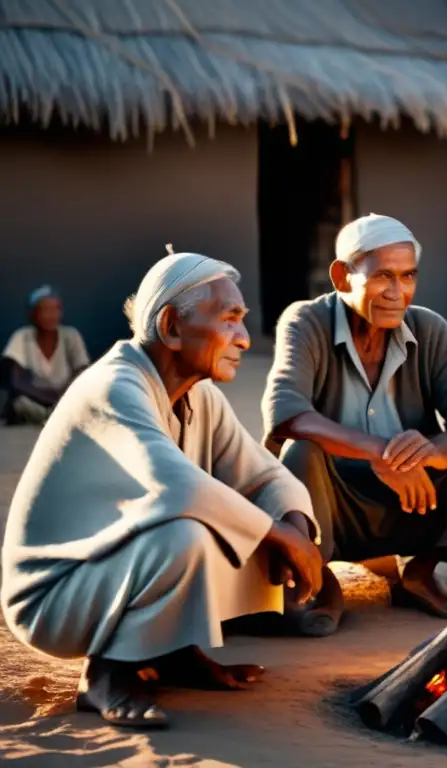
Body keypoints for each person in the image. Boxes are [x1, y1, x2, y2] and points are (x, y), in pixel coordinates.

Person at [1, 252, 324, 728]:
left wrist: (295, 528)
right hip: (52, 597)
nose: (243, 338)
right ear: (172, 326)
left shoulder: (199, 395)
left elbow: (265, 476)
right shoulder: (114, 385)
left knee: (243, 524)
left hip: (110, 574)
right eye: (230, 320)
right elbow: (175, 487)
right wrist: (282, 537)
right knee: (190, 531)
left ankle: (173, 653)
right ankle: (107, 673)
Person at [263, 213, 447, 632]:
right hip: (338, 504)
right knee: (299, 450)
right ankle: (319, 583)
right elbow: (286, 411)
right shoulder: (306, 322)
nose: (398, 292)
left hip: (416, 496)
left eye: (408, 276)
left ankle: (420, 572)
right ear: (342, 277)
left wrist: (438, 452)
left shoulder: (429, 329)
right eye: (383, 277)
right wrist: (380, 453)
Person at [2, 285, 90, 424]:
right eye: (45, 310)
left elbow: (82, 372)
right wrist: (47, 398)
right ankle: (52, 419)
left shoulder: (71, 335)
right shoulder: (22, 336)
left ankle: (51, 418)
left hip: (65, 399)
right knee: (20, 403)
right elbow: (17, 382)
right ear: (33, 314)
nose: (51, 315)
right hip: (35, 399)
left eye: (56, 309)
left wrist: (62, 398)